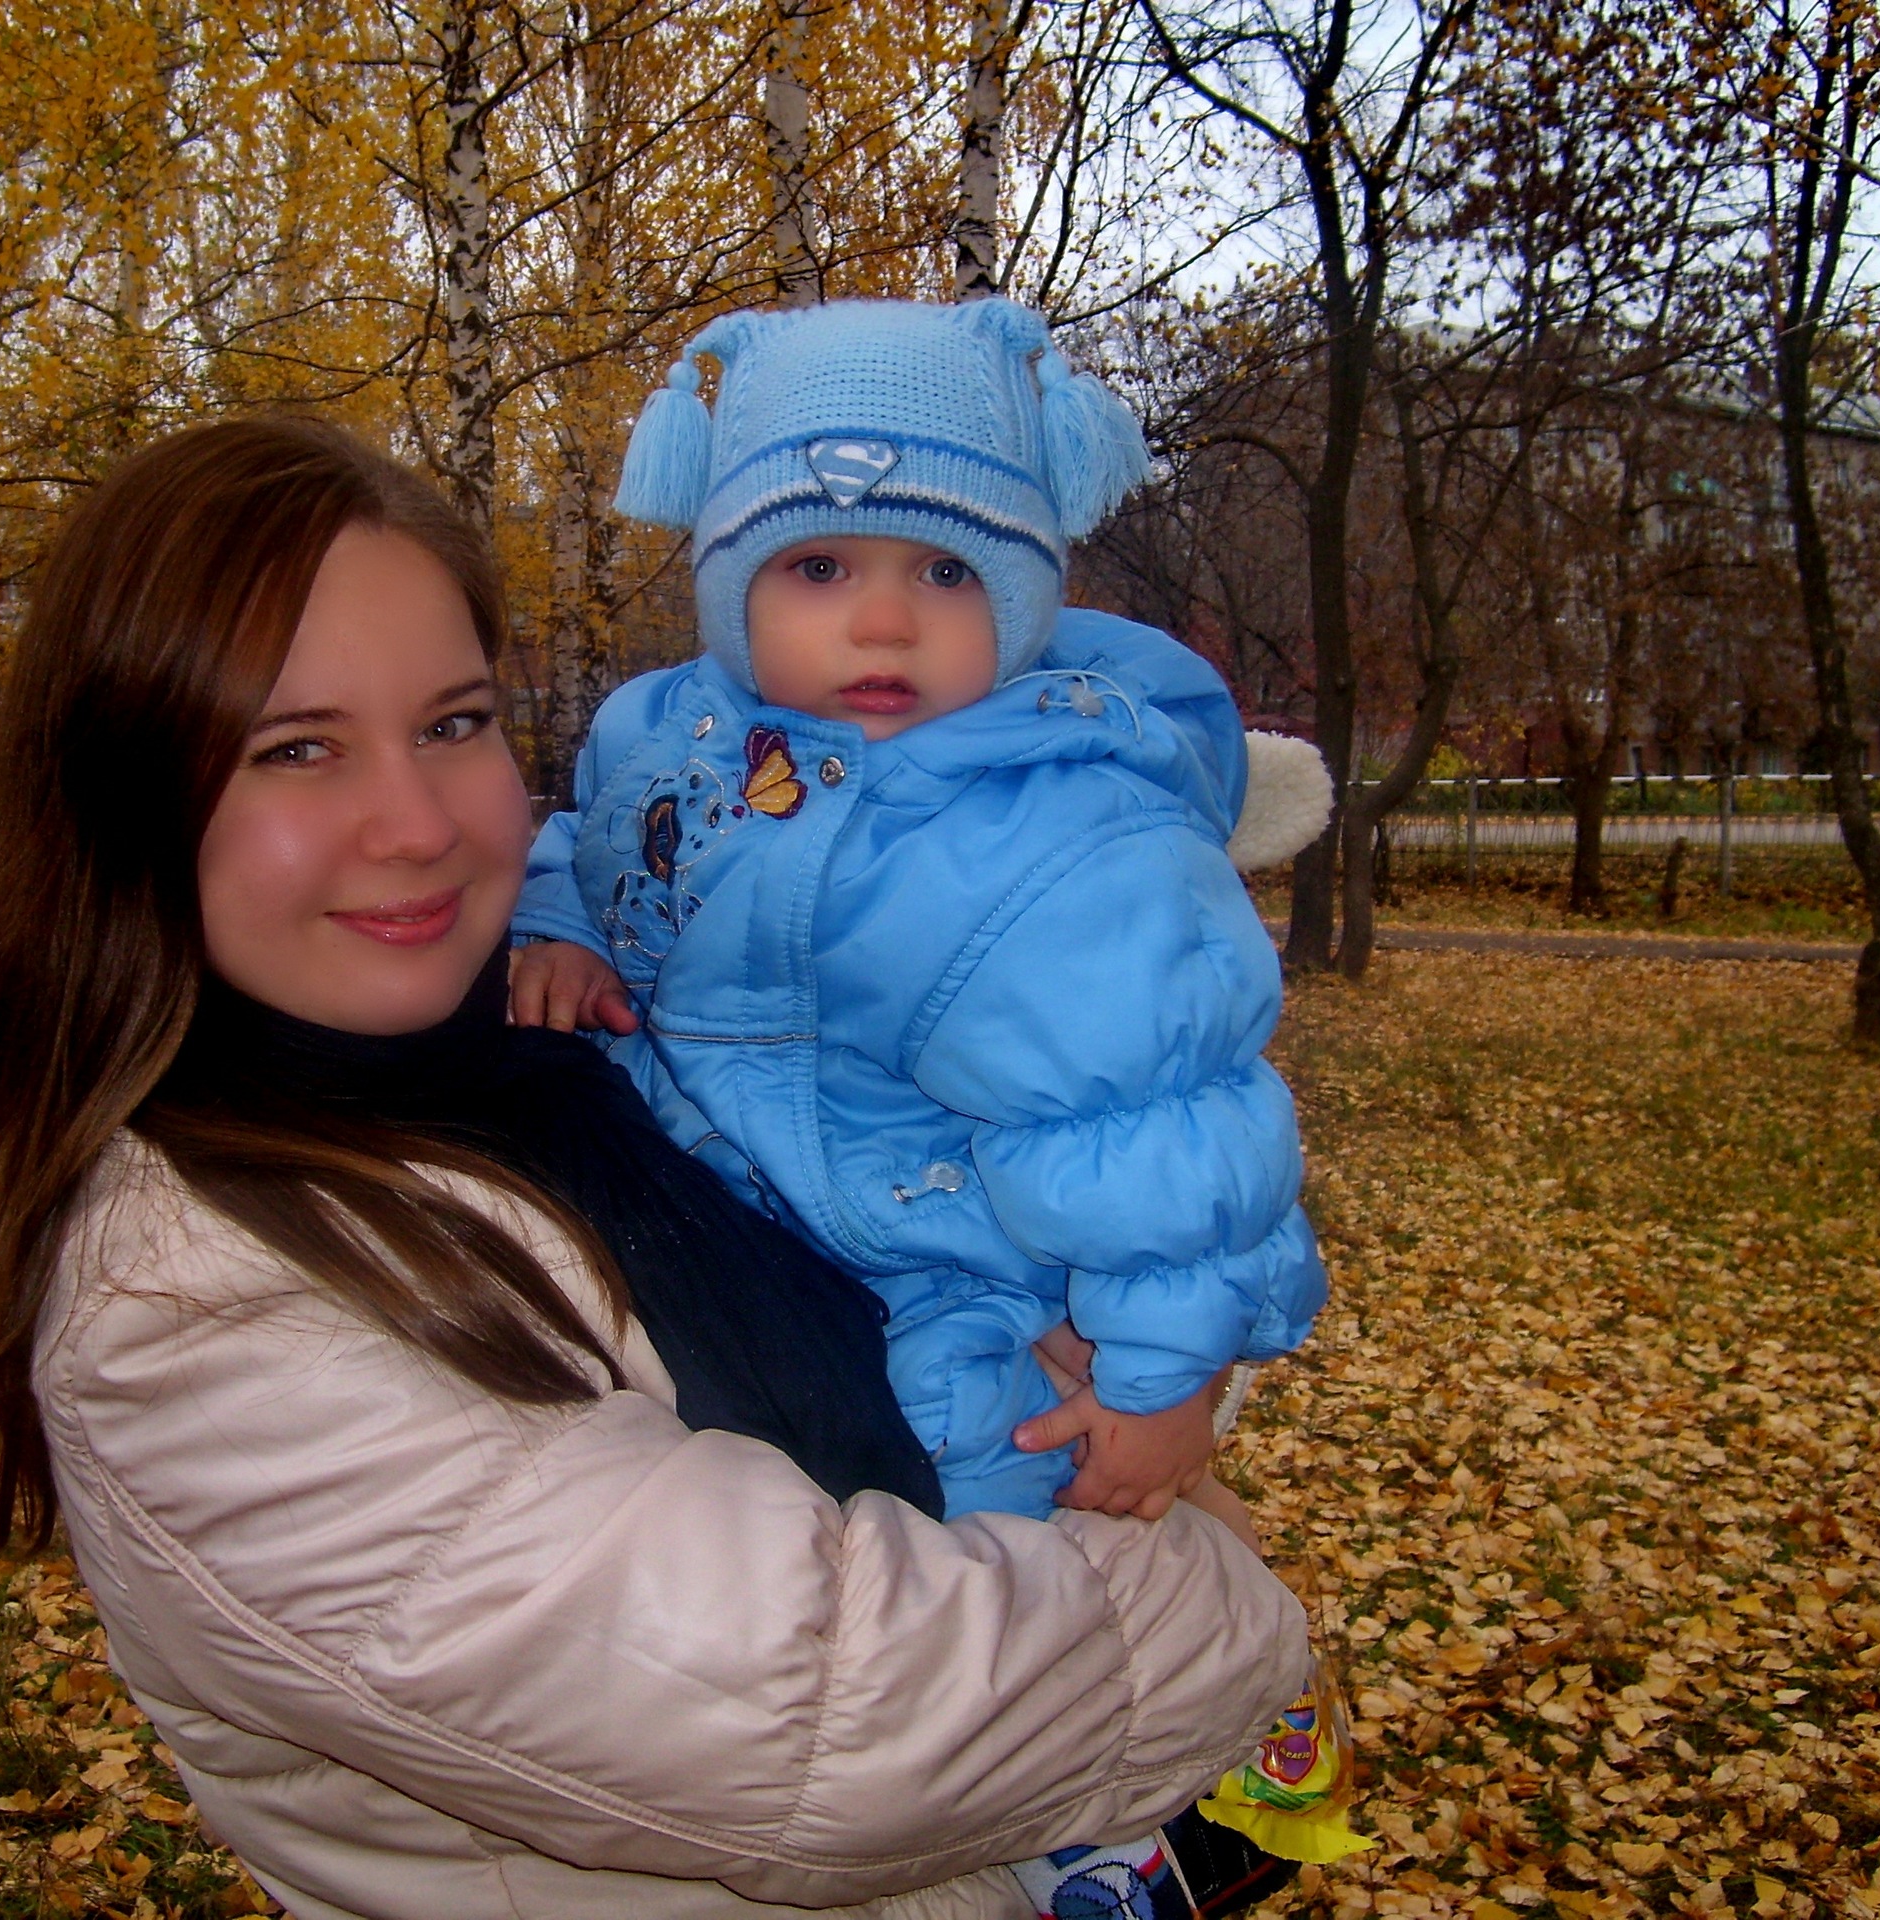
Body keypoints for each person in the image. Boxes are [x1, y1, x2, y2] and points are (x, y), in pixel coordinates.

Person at [0, 416, 1314, 1920]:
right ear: (121, 803)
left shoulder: (556, 1043)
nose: (418, 826)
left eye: (453, 724)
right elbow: (850, 1722)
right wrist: (1225, 1584)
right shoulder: (190, 1311)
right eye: (294, 749)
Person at [506, 301, 1351, 1911]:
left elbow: (1165, 1120)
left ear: (1027, 591)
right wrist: (558, 928)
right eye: (821, 567)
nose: (885, 622)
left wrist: (1166, 1376)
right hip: (758, 1220)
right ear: (731, 581)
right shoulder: (675, 738)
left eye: (949, 572)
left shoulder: (1056, 830)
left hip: (959, 1252)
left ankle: (1124, 1815)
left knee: (984, 1505)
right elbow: (596, 843)